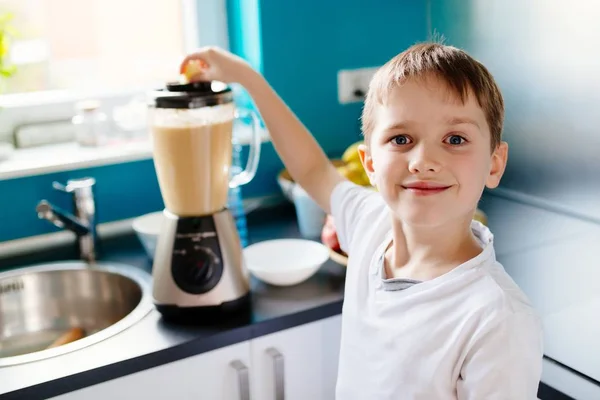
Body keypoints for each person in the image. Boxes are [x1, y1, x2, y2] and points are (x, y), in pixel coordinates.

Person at [180, 42, 543, 399]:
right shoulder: (371, 223)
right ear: (369, 164)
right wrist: (246, 77)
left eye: (455, 138)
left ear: (494, 164)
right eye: (401, 138)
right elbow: (311, 168)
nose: (423, 160)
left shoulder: (498, 319)